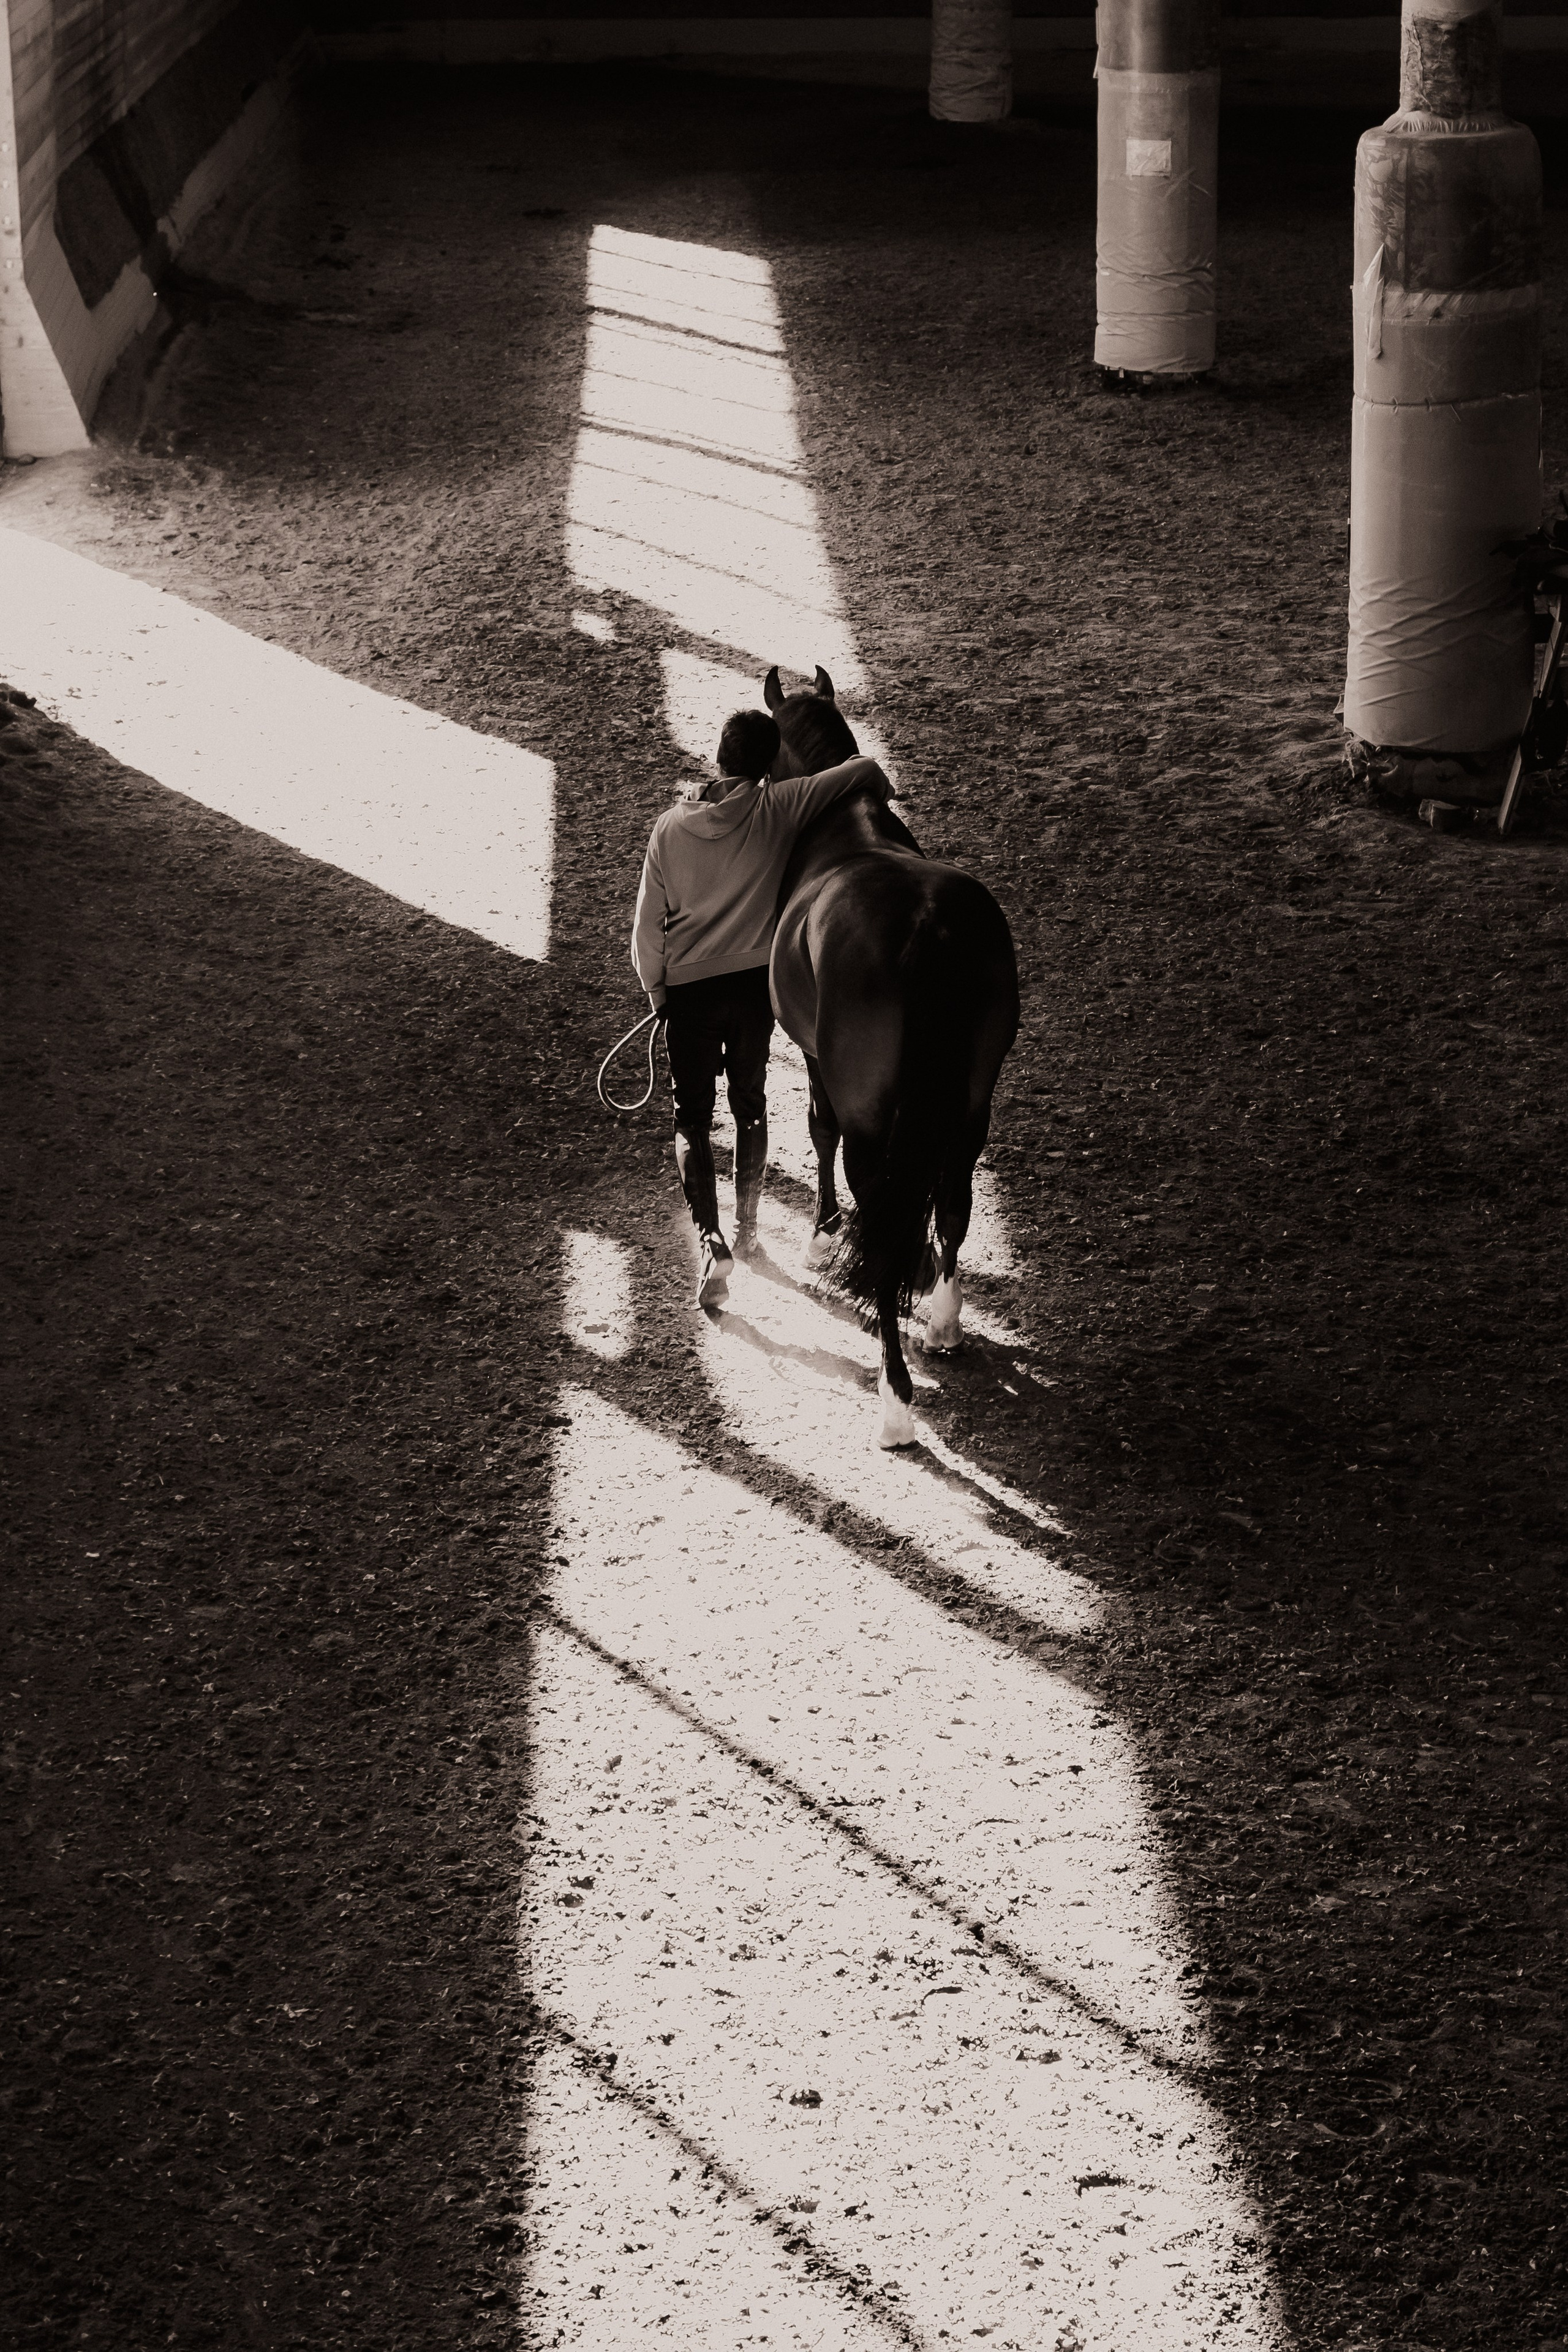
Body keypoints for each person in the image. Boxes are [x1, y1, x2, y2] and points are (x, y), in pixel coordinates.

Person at [631, 706, 890, 1308]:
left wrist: (657, 991)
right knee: (750, 1105)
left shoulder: (669, 829)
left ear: (718, 758)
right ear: (771, 762)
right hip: (752, 990)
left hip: (689, 994)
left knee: (692, 1120)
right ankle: (748, 1231)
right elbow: (864, 769)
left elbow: (647, 930)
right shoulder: (781, 806)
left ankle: (711, 1238)